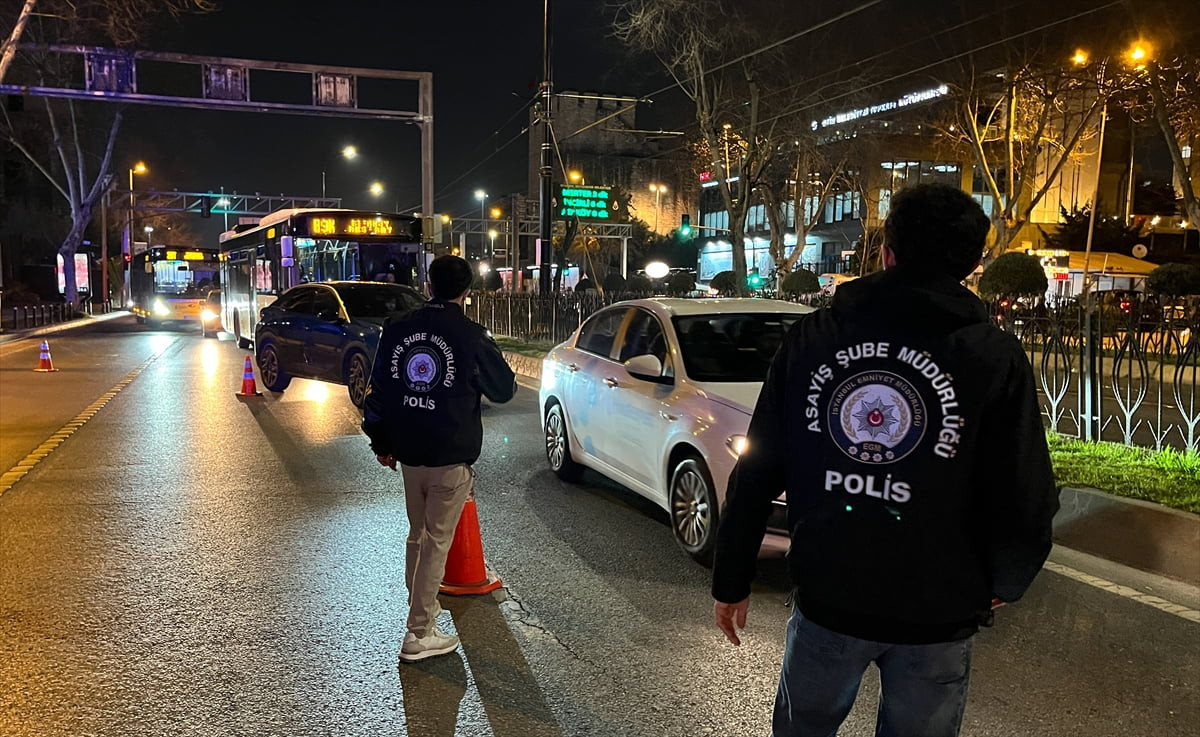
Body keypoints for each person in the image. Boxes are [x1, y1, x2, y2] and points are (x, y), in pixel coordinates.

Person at [711, 183, 1059, 737]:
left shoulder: (814, 338)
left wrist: (732, 577)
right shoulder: (993, 356)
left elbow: (757, 469)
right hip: (939, 610)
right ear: (972, 264)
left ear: (886, 253)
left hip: (831, 595)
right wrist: (1005, 576)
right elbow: (1025, 487)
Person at [362, 254, 517, 663]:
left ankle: (423, 614)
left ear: (428, 285)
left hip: (408, 453)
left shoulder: (398, 328)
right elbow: (503, 389)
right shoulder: (471, 335)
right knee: (435, 542)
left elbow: (377, 393)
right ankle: (418, 632)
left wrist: (382, 443)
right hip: (449, 453)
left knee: (418, 535)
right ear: (467, 290)